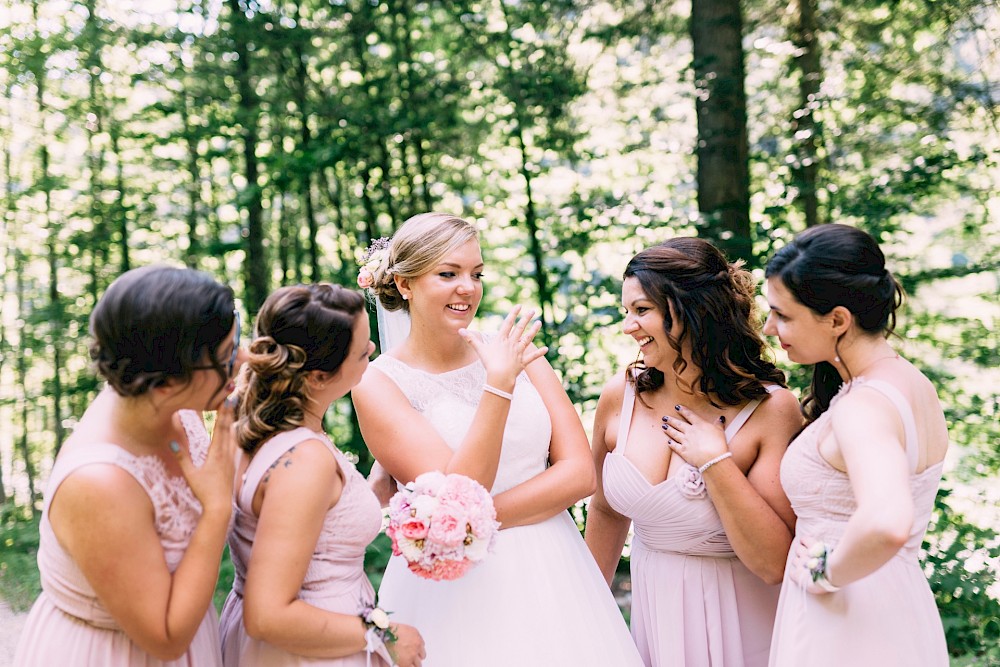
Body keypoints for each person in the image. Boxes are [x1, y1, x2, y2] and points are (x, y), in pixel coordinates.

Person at [352, 212, 643, 666]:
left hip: (554, 567)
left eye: (476, 273)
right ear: (405, 284)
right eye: (447, 274)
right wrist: (499, 387)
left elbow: (580, 474)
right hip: (456, 588)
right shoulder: (377, 384)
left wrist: (466, 527)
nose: (467, 287)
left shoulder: (514, 347)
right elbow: (458, 492)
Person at [584, 238, 803, 667]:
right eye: (626, 312)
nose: (628, 326)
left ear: (693, 311)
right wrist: (587, 611)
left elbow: (774, 562)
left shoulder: (771, 409)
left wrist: (715, 465)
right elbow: (606, 510)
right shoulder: (620, 394)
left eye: (642, 310)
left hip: (741, 620)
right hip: (653, 615)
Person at [14, 265, 242, 666]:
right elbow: (166, 637)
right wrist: (217, 508)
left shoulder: (168, 403)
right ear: (168, 381)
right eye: (226, 358)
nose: (239, 360)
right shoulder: (99, 484)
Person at [763, 224, 949, 666]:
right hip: (897, 602)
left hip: (847, 620)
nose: (770, 328)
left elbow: (887, 520)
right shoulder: (909, 382)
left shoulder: (862, 408)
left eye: (783, 315)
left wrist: (826, 573)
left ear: (838, 319)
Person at [219, 284, 425, 667]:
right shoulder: (304, 460)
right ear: (316, 376)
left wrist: (374, 490)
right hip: (311, 649)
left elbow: (308, 528)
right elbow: (268, 615)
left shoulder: (253, 426)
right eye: (362, 350)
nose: (373, 351)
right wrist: (384, 635)